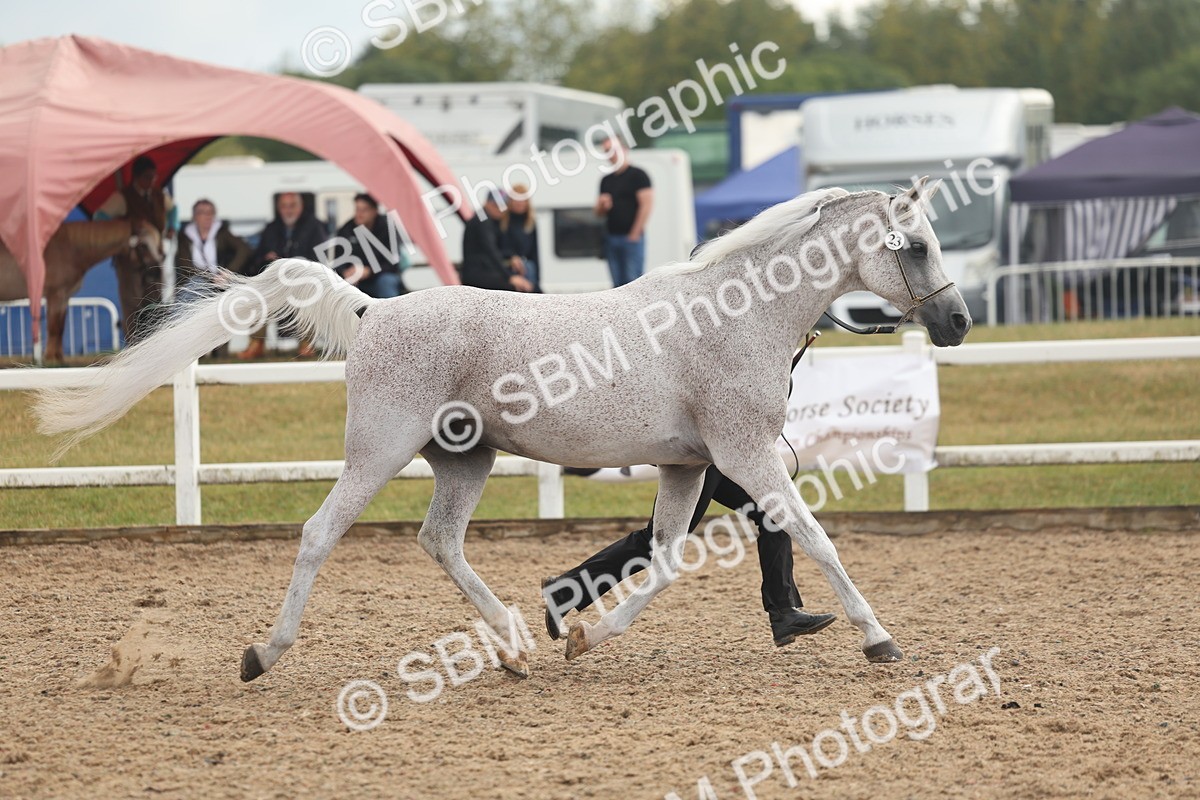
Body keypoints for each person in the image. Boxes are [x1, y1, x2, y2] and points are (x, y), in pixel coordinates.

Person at [96, 155, 175, 342]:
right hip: (130, 260)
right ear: (137, 177)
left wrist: (173, 227)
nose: (151, 181)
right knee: (132, 303)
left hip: (155, 257)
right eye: (148, 177)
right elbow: (100, 218)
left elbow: (174, 211)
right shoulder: (121, 197)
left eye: (154, 177)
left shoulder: (159, 195)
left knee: (155, 301)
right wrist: (123, 226)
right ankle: (133, 344)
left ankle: (155, 343)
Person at [240, 192, 328, 359]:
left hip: (304, 281)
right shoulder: (271, 228)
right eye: (284, 206)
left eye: (292, 205)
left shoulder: (315, 227)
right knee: (258, 296)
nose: (288, 210)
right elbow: (257, 259)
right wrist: (267, 259)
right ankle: (256, 344)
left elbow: (319, 259)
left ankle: (307, 343)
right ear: (279, 208)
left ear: (301, 207)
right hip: (276, 283)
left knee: (309, 295)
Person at [595, 137, 653, 287]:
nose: (610, 154)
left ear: (624, 150)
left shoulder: (638, 175)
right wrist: (602, 205)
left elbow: (646, 205)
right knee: (617, 285)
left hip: (630, 238)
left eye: (613, 150)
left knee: (633, 282)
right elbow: (598, 213)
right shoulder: (606, 180)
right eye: (606, 151)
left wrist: (634, 234)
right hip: (612, 237)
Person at [333, 193, 408, 299]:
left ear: (375, 211)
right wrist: (345, 272)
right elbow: (337, 262)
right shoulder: (346, 230)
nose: (359, 214)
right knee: (340, 286)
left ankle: (389, 313)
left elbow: (393, 264)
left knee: (386, 282)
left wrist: (369, 271)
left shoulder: (388, 229)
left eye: (364, 210)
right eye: (357, 209)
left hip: (380, 278)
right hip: (355, 280)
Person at [460, 191, 534, 292]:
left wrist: (510, 256)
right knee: (518, 288)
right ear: (487, 203)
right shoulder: (483, 222)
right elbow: (491, 251)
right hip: (478, 274)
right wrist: (509, 278)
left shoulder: (485, 220)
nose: (500, 210)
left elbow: (495, 250)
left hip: (480, 272)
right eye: (496, 205)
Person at [498, 186, 541, 292]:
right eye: (516, 200)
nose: (519, 203)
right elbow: (497, 247)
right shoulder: (503, 223)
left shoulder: (530, 224)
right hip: (508, 266)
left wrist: (538, 281)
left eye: (522, 200)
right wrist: (511, 257)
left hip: (527, 268)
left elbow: (534, 253)